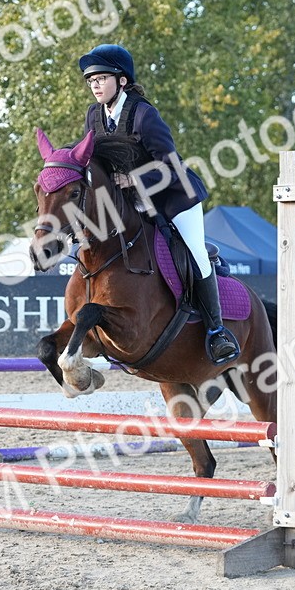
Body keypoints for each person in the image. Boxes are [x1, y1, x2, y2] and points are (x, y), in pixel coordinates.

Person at [78, 43, 240, 365]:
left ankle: (216, 330)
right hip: (132, 203)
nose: (95, 85)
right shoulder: (94, 115)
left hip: (174, 198)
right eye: (90, 80)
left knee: (193, 251)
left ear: (121, 80)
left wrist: (133, 180)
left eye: (101, 78)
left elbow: (170, 164)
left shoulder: (144, 114)